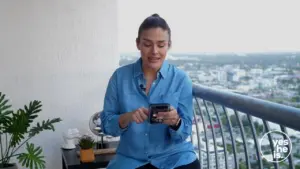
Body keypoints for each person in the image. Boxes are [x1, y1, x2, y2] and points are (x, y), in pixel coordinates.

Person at [100, 13, 200, 169]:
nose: (154, 51)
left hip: (175, 158)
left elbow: (183, 134)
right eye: (147, 44)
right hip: (130, 159)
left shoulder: (181, 79)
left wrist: (175, 122)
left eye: (161, 45)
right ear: (138, 44)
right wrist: (127, 117)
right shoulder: (119, 77)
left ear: (168, 45)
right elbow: (107, 125)